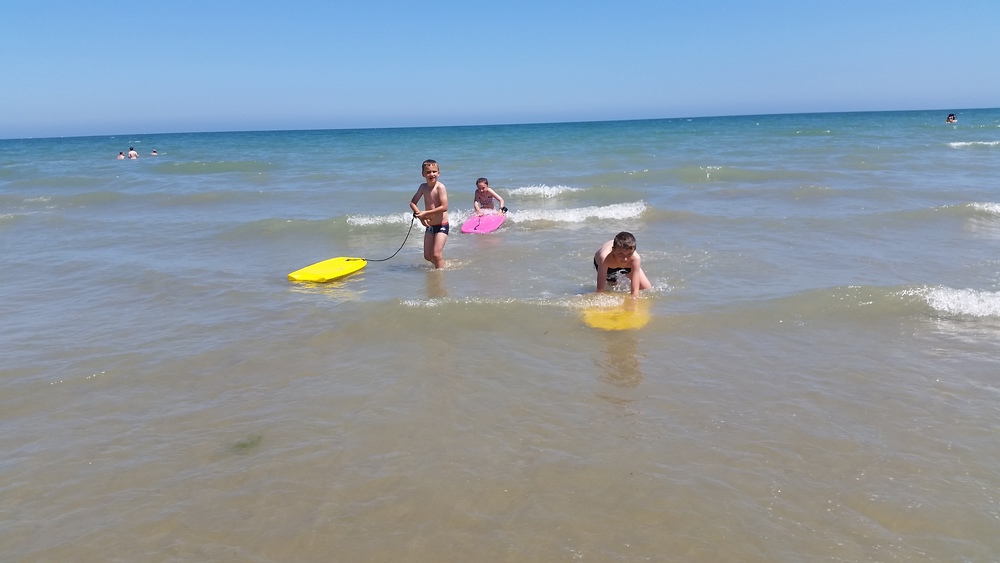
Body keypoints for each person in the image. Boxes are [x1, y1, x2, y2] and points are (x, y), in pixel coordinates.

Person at [409, 159, 449, 268]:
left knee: (436, 254)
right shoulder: (423, 187)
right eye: (428, 172)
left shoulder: (440, 187)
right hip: (430, 226)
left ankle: (439, 276)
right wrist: (421, 217)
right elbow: (413, 203)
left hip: (442, 225)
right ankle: (441, 265)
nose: (431, 174)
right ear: (423, 174)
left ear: (438, 173)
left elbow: (444, 207)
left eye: (434, 171)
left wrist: (425, 213)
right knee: (427, 256)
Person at [594, 231, 651, 296]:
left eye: (629, 254)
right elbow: (600, 290)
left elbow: (635, 291)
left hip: (628, 264)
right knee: (611, 285)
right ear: (613, 250)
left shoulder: (635, 259)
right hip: (608, 265)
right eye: (621, 254)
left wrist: (632, 304)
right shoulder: (605, 258)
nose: (625, 259)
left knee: (646, 289)